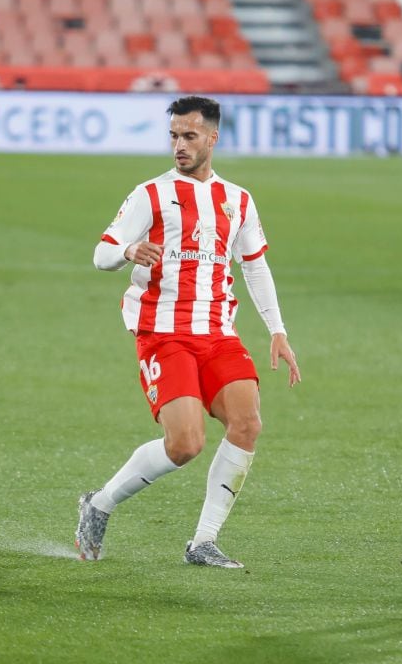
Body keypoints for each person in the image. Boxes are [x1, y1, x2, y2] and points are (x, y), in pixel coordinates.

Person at [76, 96, 301, 568]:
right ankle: (99, 503)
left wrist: (277, 330)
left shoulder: (238, 199)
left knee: (248, 423)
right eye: (174, 136)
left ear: (212, 138)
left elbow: (255, 266)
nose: (179, 145)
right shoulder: (150, 194)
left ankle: (203, 542)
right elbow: (101, 254)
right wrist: (130, 250)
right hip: (163, 333)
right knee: (185, 444)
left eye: (189, 136)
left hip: (218, 332)